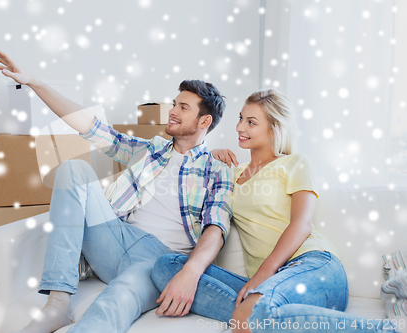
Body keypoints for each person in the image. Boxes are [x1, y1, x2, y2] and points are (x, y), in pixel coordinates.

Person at [0, 47, 234, 333]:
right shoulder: (151, 149)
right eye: (174, 103)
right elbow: (92, 127)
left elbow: (215, 228)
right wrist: (35, 82)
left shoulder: (216, 169)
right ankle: (57, 305)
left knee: (115, 300)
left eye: (183, 107)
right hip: (115, 238)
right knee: (73, 169)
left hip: (161, 260)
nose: (173, 111)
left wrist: (190, 272)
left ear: (205, 122)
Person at [151, 88, 403, 333]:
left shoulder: (294, 163)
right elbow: (201, 197)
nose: (239, 127)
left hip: (312, 266)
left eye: (251, 122)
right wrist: (208, 155)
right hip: (271, 285)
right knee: (167, 266)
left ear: (274, 128)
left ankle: (389, 330)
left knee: (251, 313)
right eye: (240, 118)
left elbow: (301, 224)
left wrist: (261, 277)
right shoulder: (231, 174)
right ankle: (265, 315)